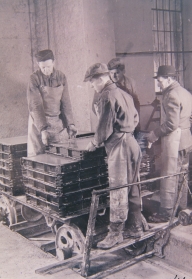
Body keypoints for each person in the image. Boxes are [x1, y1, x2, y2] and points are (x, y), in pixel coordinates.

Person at [84, 63, 143, 249]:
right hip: (132, 142)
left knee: (118, 188)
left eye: (93, 83)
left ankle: (115, 233)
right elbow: (135, 118)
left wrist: (94, 143)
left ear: (101, 79)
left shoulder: (106, 96)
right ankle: (135, 226)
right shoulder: (125, 94)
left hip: (119, 146)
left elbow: (104, 126)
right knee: (133, 185)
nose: (92, 87)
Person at [147, 65, 192, 222]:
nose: (159, 84)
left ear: (169, 79)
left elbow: (172, 124)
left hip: (175, 141)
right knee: (182, 175)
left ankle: (166, 213)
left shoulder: (171, 95)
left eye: (160, 80)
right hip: (186, 140)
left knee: (169, 175)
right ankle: (182, 208)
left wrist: (154, 134)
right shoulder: (185, 92)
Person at [27, 49, 77, 157]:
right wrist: (43, 129)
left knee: (58, 155)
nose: (46, 70)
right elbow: (36, 105)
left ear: (53, 62)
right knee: (39, 156)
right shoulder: (34, 78)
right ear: (38, 65)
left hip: (56, 121)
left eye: (48, 66)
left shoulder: (61, 77)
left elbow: (65, 102)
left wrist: (70, 124)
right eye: (43, 67)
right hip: (38, 121)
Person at [92, 58, 140, 136]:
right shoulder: (103, 85)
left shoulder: (131, 83)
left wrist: (134, 123)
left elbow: (136, 103)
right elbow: (95, 106)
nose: (113, 76)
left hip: (129, 123)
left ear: (123, 71)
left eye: (117, 72)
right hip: (112, 126)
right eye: (111, 73)